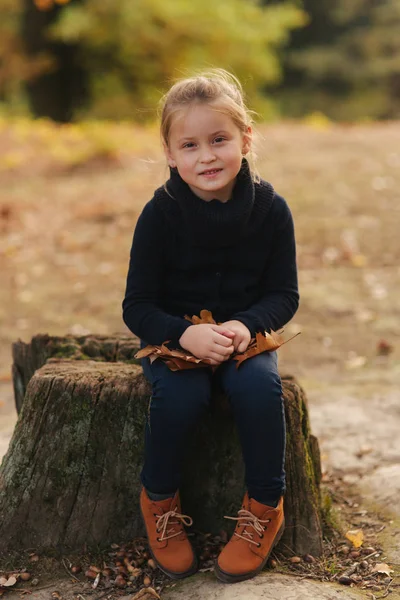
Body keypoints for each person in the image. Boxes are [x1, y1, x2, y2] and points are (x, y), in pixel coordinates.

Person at [122, 69, 299, 584]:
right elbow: (137, 305)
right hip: (175, 338)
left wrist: (248, 324)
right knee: (181, 397)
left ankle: (264, 506)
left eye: (219, 140)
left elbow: (284, 295)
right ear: (171, 153)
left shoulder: (271, 212)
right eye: (191, 144)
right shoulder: (159, 216)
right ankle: (160, 501)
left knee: (259, 389)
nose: (207, 156)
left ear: (245, 139)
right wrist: (182, 334)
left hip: (243, 339)